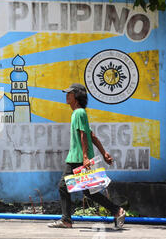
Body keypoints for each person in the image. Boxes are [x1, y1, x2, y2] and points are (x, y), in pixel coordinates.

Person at [48, 83, 126, 228]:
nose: (67, 95)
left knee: (63, 186)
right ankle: (117, 210)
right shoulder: (80, 113)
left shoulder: (78, 113)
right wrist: (104, 153)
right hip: (79, 157)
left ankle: (66, 220)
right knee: (89, 191)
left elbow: (85, 135)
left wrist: (84, 157)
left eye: (69, 93)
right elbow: (92, 135)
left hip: (78, 158)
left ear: (76, 96)